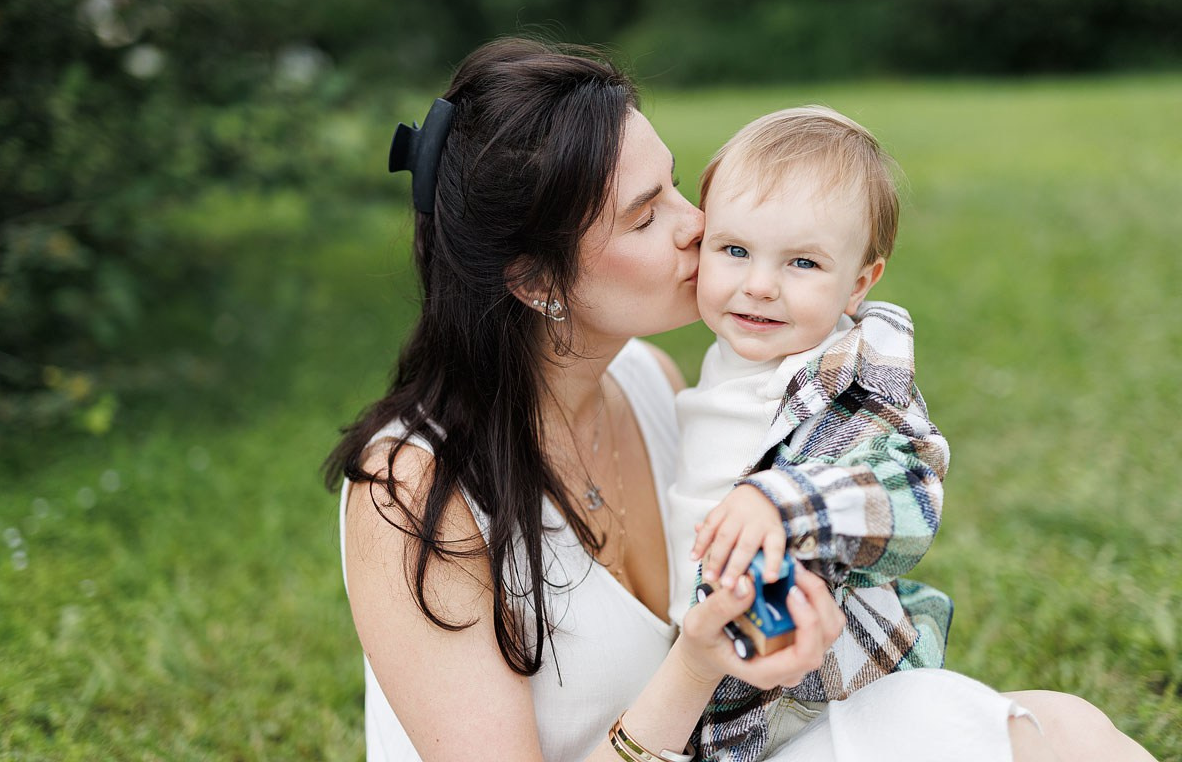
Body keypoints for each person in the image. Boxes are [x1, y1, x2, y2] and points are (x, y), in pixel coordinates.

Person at [325, 37, 1156, 762]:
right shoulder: (413, 491)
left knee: (1066, 729)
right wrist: (697, 665)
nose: (698, 224)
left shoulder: (655, 386)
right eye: (648, 215)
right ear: (539, 280)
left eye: (678, 185)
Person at [665, 106, 954, 759]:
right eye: (734, 250)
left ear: (858, 284)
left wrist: (780, 497)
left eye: (802, 263)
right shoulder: (727, 362)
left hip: (825, 696)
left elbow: (911, 487)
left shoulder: (847, 377)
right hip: (723, 684)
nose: (759, 285)